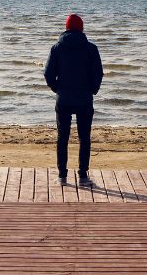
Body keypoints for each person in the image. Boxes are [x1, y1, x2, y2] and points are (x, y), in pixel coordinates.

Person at [43, 13, 103, 186]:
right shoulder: (91, 48)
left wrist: (57, 89)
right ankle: (83, 176)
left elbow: (48, 74)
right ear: (82, 28)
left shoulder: (57, 48)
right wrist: (93, 90)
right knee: (85, 138)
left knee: (63, 137)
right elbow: (98, 73)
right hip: (84, 99)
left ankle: (62, 176)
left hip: (64, 100)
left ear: (66, 28)